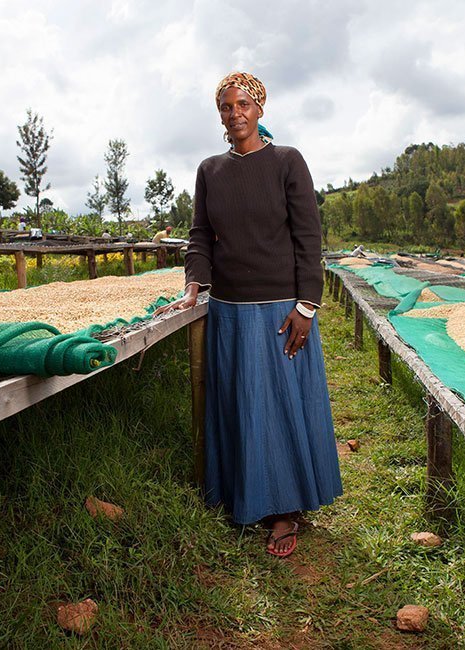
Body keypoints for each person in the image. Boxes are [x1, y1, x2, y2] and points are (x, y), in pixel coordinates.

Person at [156, 71, 342, 558]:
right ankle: (244, 495)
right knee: (240, 403)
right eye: (226, 107)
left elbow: (308, 238)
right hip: (230, 311)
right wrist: (194, 283)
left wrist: (307, 305)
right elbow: (200, 236)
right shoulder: (209, 170)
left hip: (282, 309)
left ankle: (284, 509)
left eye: (243, 104)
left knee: (279, 406)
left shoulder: (287, 162)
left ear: (260, 107)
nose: (234, 114)